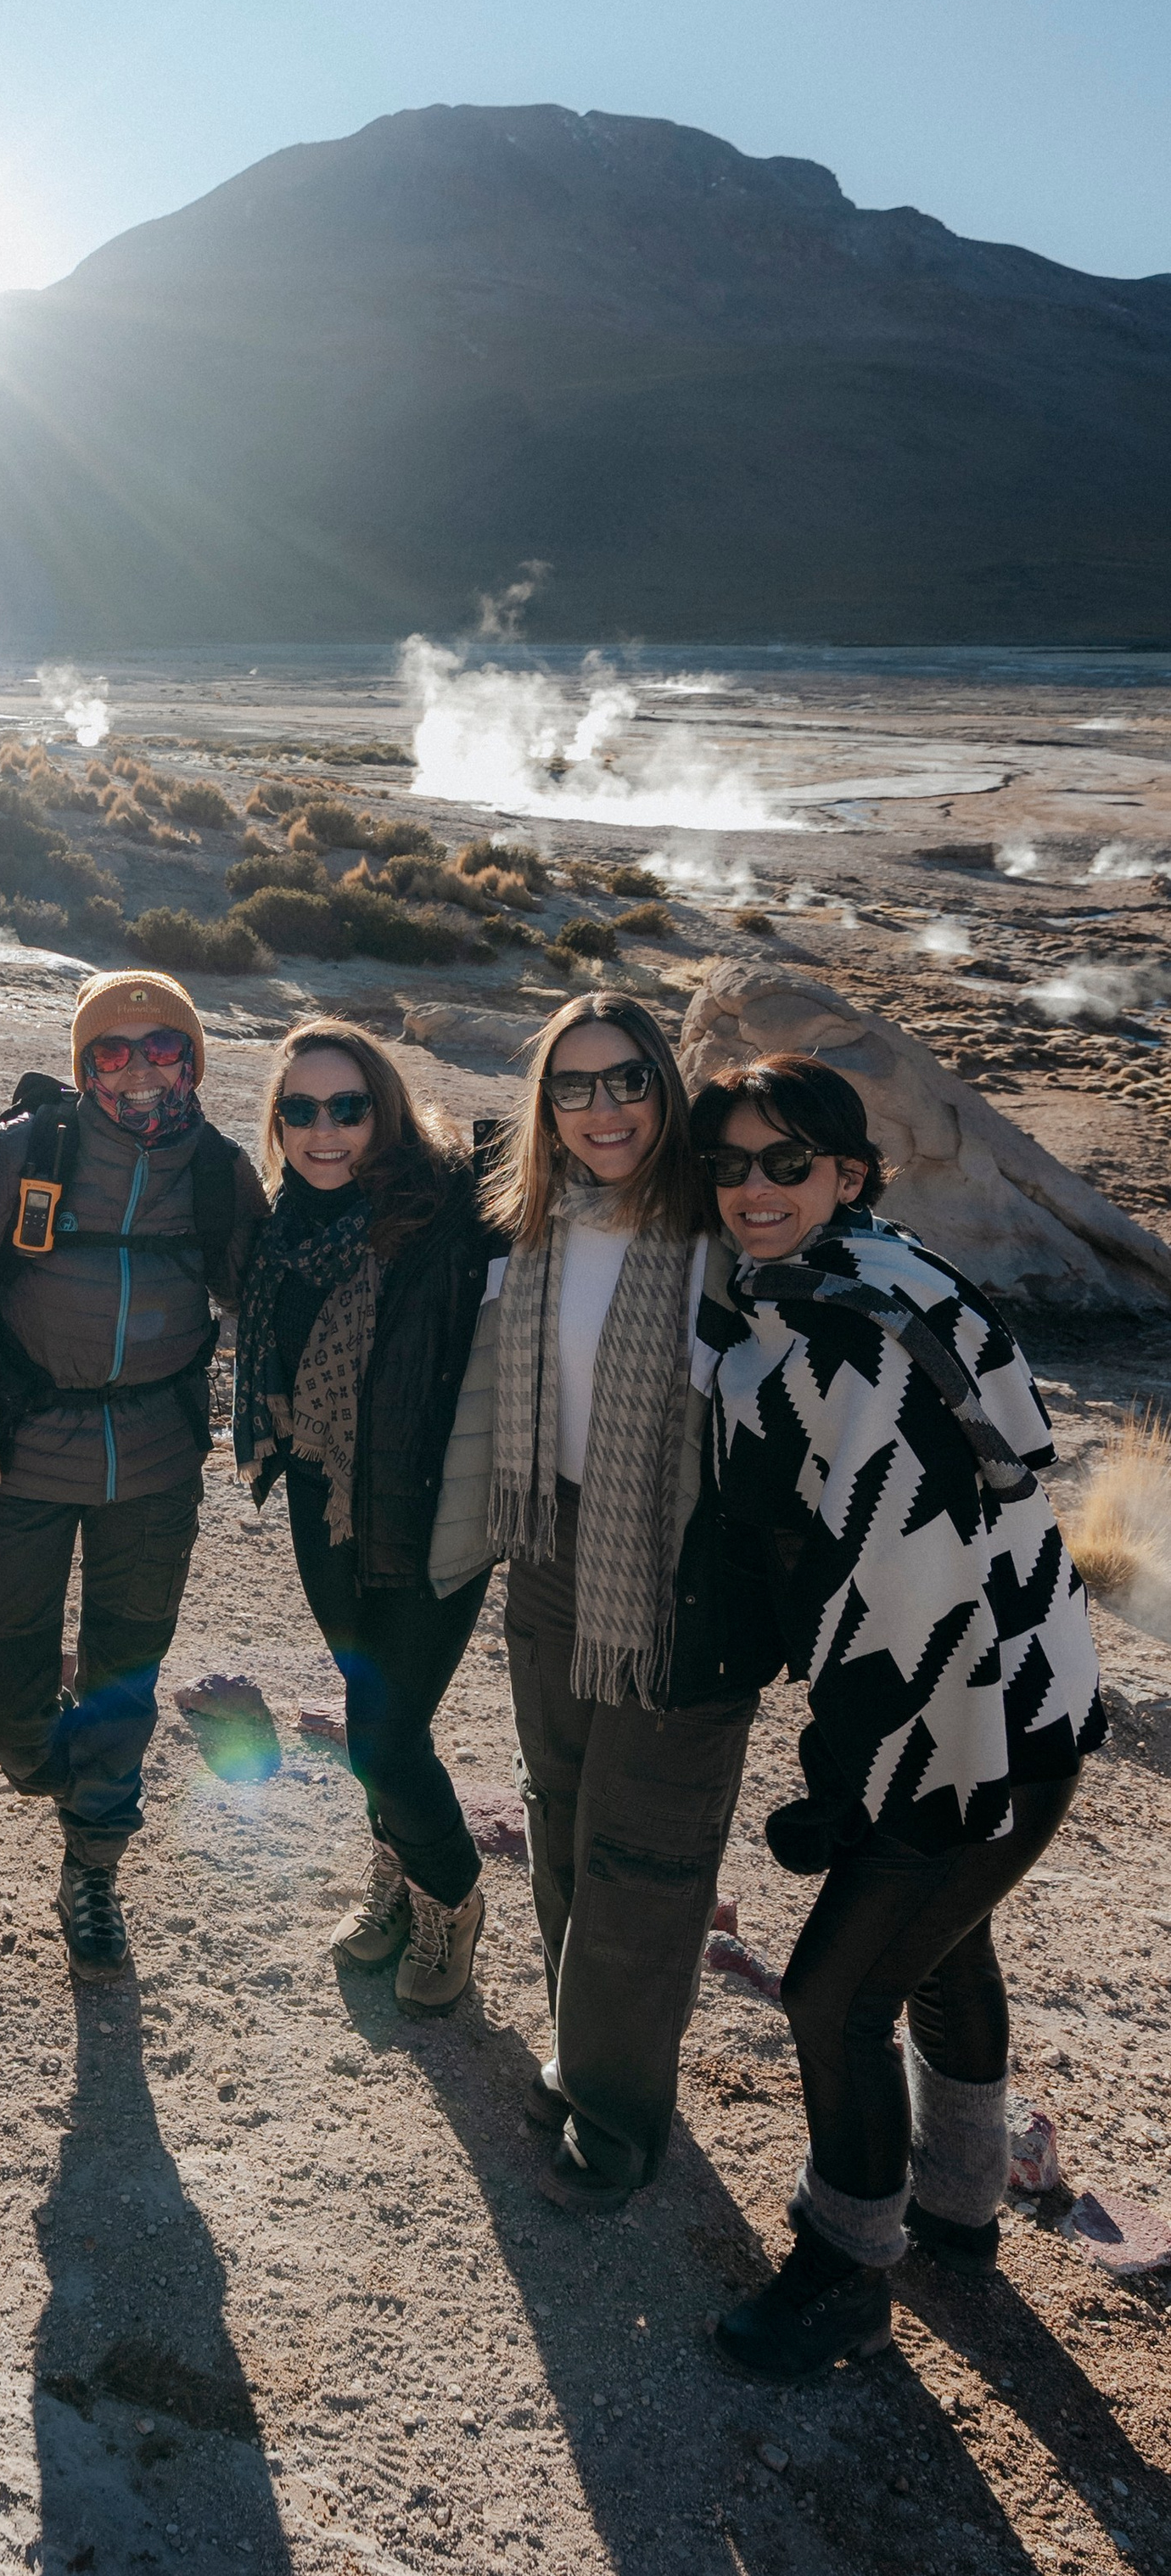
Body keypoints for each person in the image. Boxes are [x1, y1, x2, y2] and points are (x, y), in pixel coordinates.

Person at [691, 1053, 1104, 2377]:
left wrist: (867, 1779)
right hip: (1032, 1700)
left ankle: (843, 2272)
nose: (753, 1189)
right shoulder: (879, 1276)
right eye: (729, 1164)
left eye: (786, 1163)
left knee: (834, 1996)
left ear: (850, 1174)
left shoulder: (846, 1329)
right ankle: (960, 2209)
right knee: (943, 1950)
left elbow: (909, 1579)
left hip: (965, 1721)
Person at [429, 991, 776, 2212]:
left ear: (665, 1089)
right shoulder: (534, 1221)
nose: (602, 1109)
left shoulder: (725, 1230)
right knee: (564, 1816)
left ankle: (620, 2118)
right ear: (546, 1106)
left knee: (650, 1852)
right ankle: (587, 2056)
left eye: (626, 1079)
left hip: (682, 1575)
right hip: (553, 1550)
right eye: (572, 1086)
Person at [0, 969, 267, 1978]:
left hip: (157, 1467)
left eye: (163, 1047)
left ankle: (92, 1865)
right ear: (85, 1064)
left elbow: (269, 1293)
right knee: (4, 1699)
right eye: (114, 1050)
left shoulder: (219, 1173)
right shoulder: (27, 1152)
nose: (140, 1068)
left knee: (122, 1678)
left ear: (192, 1062)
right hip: (22, 1459)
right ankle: (56, 1770)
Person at [234, 1023, 496, 2007]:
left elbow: (539, 1173)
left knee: (385, 1736)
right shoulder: (282, 1231)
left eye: (348, 1107)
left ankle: (452, 1895)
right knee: (366, 1708)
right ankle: (396, 1870)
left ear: (384, 1111)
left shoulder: (445, 1213)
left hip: (432, 1510)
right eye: (299, 1110)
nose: (324, 1131)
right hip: (325, 1498)